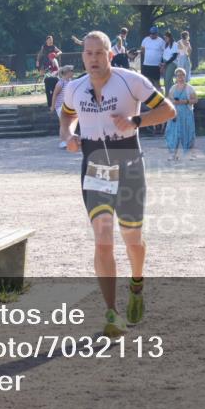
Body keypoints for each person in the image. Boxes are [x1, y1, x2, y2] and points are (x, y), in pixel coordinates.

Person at [59, 31, 176, 337]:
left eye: (99, 53)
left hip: (129, 164)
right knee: (103, 240)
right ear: (82, 57)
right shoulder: (74, 88)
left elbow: (168, 110)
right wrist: (68, 135)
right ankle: (111, 312)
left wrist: (136, 121)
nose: (94, 59)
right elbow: (66, 116)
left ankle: (136, 282)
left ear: (110, 54)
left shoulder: (131, 81)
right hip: (95, 165)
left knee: (132, 239)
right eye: (88, 54)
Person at [164, 67, 197, 160]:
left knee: (188, 133)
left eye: (182, 75)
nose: (180, 77)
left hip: (186, 114)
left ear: (185, 76)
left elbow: (195, 100)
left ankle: (190, 154)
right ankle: (173, 154)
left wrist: (184, 101)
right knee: (172, 134)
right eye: (178, 75)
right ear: (176, 77)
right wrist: (173, 102)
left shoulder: (189, 88)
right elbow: (169, 99)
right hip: (175, 114)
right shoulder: (173, 88)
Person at [51, 65, 75, 148]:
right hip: (61, 106)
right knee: (64, 124)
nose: (73, 72)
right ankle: (62, 141)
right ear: (67, 72)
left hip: (69, 106)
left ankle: (68, 140)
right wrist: (52, 106)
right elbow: (54, 95)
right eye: (72, 71)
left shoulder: (71, 82)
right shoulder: (60, 83)